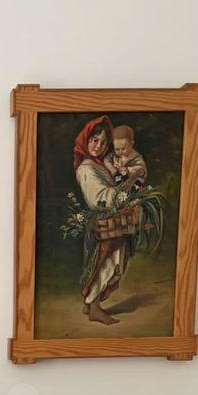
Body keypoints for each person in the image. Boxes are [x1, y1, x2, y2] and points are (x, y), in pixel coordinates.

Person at [73, 116, 132, 325]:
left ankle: (89, 304)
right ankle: (95, 309)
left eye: (103, 142)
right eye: (94, 140)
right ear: (86, 139)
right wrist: (123, 192)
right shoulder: (86, 168)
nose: (98, 146)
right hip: (103, 223)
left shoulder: (99, 165)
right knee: (104, 264)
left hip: (111, 221)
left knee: (106, 263)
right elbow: (99, 197)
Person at [104, 124, 147, 191]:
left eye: (123, 149)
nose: (120, 152)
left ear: (131, 144)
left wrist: (127, 170)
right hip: (118, 180)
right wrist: (111, 168)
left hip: (133, 183)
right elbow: (106, 159)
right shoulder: (114, 154)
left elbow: (142, 169)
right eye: (117, 149)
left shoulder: (136, 157)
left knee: (132, 190)